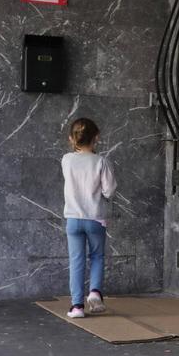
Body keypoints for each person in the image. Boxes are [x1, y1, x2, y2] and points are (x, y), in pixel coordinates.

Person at [62, 118, 117, 319]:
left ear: (71, 139)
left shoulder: (66, 160)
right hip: (95, 218)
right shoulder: (102, 162)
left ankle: (76, 307)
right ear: (97, 138)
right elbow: (109, 191)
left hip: (73, 219)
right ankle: (94, 292)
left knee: (76, 260)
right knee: (96, 257)